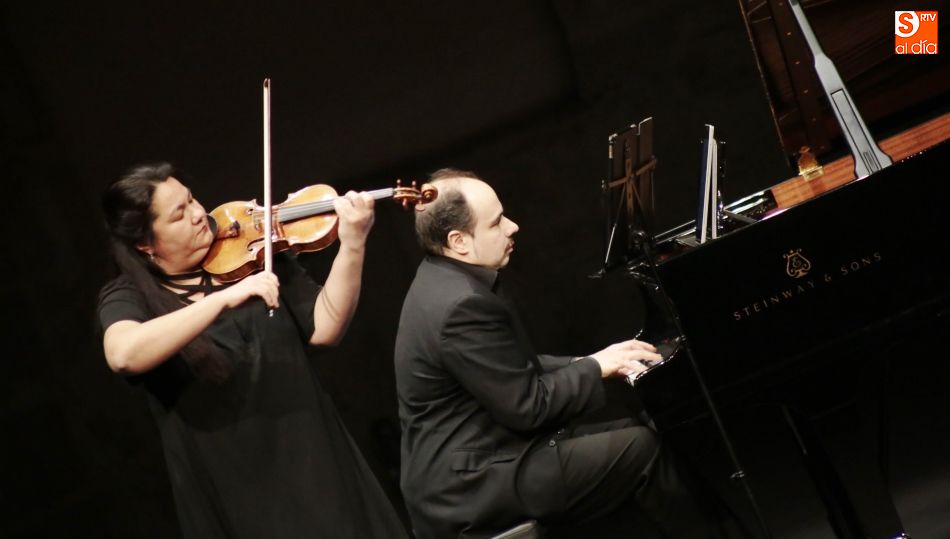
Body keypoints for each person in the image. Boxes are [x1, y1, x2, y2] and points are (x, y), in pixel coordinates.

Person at [394, 169, 737, 538]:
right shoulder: (460, 304)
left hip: (480, 459)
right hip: (472, 485)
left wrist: (594, 361)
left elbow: (505, 369)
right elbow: (527, 407)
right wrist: (594, 368)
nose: (513, 226)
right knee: (640, 450)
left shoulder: (447, 278)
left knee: (637, 431)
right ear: (459, 240)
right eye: (496, 223)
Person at [97, 163, 407, 539]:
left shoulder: (255, 254)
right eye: (180, 214)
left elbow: (325, 328)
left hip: (312, 453)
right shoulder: (129, 297)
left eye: (192, 199)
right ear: (145, 243)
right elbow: (123, 354)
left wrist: (354, 244)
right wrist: (223, 299)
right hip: (234, 482)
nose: (199, 214)